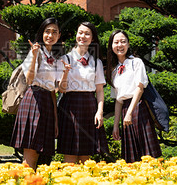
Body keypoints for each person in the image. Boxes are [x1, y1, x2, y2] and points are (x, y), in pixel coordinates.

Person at [11, 18, 69, 169]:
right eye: (47, 31)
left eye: (54, 32)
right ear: (42, 34)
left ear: (59, 35)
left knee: (44, 153)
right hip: (33, 99)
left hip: (48, 102)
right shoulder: (35, 52)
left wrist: (66, 72)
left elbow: (57, 90)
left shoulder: (56, 59)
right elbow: (29, 80)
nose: (50, 35)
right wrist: (35, 56)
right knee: (31, 152)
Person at [107, 29, 161, 162]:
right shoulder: (114, 71)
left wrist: (130, 112)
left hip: (138, 107)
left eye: (123, 42)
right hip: (125, 110)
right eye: (116, 42)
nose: (120, 45)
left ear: (128, 44)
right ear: (111, 46)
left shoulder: (136, 62)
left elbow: (140, 88)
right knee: (131, 156)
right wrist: (115, 125)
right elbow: (118, 100)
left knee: (147, 153)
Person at [57, 22, 106, 163]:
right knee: (70, 152)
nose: (83, 36)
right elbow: (61, 89)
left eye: (87, 34)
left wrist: (100, 111)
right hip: (70, 105)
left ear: (92, 39)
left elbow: (100, 90)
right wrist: (65, 72)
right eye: (80, 32)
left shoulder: (96, 62)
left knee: (86, 154)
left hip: (89, 107)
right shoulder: (65, 59)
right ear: (76, 35)